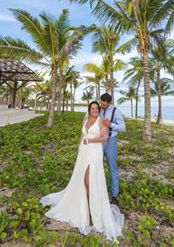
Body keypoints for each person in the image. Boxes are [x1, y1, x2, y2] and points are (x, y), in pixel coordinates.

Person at [40, 101, 124, 242]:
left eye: (97, 108)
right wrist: (80, 147)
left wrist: (91, 141)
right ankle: (84, 205)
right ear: (89, 109)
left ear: (98, 110)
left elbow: (104, 138)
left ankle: (94, 207)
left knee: (89, 179)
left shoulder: (102, 122)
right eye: (92, 108)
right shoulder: (85, 120)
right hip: (84, 152)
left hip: (95, 152)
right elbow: (82, 136)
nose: (95, 110)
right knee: (81, 179)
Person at [99, 93, 126, 205]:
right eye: (101, 103)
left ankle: (114, 195)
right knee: (97, 165)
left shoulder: (116, 111)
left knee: (112, 167)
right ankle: (99, 191)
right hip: (99, 141)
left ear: (109, 102)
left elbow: (123, 128)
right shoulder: (98, 109)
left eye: (104, 104)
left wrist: (111, 124)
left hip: (111, 141)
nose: (102, 106)